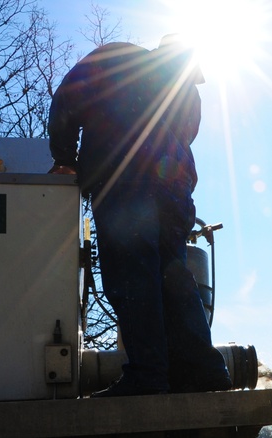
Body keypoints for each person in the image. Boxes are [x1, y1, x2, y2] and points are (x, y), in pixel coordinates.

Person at [48, 37, 231, 396]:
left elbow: (67, 98)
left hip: (124, 181)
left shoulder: (118, 57)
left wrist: (66, 159)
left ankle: (147, 375)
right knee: (175, 278)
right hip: (174, 191)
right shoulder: (189, 93)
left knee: (133, 277)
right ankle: (203, 370)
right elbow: (185, 138)